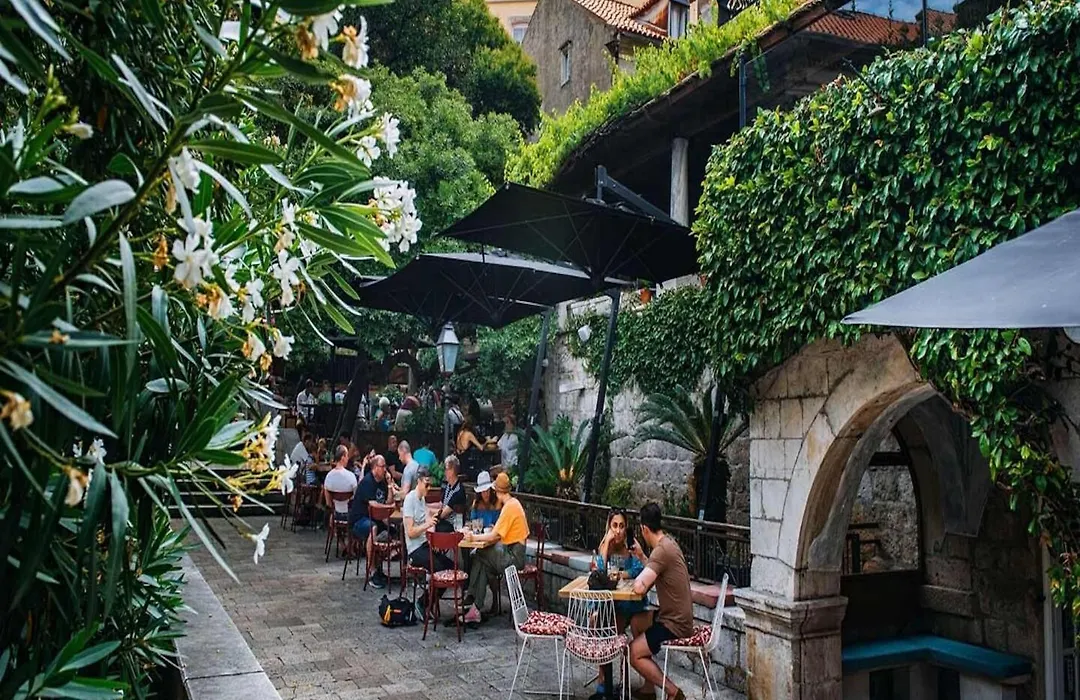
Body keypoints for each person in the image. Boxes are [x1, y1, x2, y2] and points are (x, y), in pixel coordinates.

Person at [629, 503, 694, 700]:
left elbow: (640, 587)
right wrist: (641, 556)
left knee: (634, 653)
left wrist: (636, 580)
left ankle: (674, 693)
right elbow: (655, 568)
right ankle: (649, 688)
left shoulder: (661, 551)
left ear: (644, 529)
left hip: (675, 623)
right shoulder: (668, 543)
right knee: (637, 622)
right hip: (675, 616)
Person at [594, 509, 651, 696]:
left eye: (621, 526)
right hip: (611, 602)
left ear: (626, 528)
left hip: (630, 604)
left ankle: (621, 676)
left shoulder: (631, 546)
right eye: (614, 526)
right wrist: (606, 545)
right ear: (609, 527)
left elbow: (639, 570)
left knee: (614, 625)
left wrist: (621, 574)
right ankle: (603, 676)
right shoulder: (606, 546)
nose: (618, 530)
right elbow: (599, 572)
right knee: (598, 620)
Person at [460, 473, 527, 624]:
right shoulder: (513, 503)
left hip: (514, 557)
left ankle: (472, 596)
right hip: (512, 552)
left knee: (479, 553)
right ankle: (475, 609)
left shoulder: (509, 507)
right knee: (484, 565)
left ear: (496, 491)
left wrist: (473, 538)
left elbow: (493, 536)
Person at [403, 467, 453, 614]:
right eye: (427, 484)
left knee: (450, 567)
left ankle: (428, 602)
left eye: (430, 484)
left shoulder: (422, 499)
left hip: (424, 544)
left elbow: (426, 523)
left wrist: (432, 539)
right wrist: (428, 524)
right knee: (440, 570)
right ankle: (423, 603)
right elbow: (411, 532)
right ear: (419, 481)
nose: (429, 488)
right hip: (414, 549)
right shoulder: (410, 499)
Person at [347, 455, 396, 589]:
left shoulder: (383, 482)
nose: (385, 469)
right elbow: (373, 504)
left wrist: (390, 485)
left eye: (385, 466)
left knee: (391, 531)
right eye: (382, 466)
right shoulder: (368, 482)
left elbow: (388, 502)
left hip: (375, 518)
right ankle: (371, 570)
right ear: (375, 468)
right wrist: (389, 507)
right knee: (373, 528)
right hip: (359, 520)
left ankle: (379, 567)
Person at [322, 445, 358, 525]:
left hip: (334, 514)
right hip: (349, 515)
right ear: (343, 457)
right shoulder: (351, 476)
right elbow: (356, 496)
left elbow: (328, 502)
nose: (348, 458)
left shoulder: (329, 477)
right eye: (347, 456)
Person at [436, 456, 467, 530]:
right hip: (444, 522)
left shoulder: (458, 491)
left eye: (446, 469)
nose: (444, 472)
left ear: (452, 471)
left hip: (452, 526)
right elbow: (441, 505)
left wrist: (430, 511)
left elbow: (442, 514)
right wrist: (426, 506)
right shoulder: (448, 486)